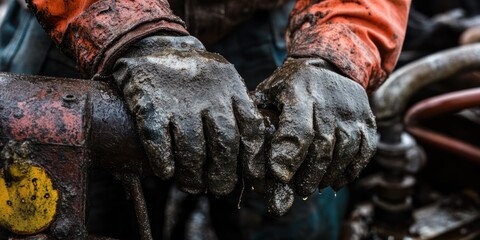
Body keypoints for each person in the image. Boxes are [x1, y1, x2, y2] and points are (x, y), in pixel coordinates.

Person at [0, 0, 410, 239]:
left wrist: (337, 52)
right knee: (70, 219)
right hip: (78, 25)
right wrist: (135, 31)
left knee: (295, 210)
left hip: (256, 19)